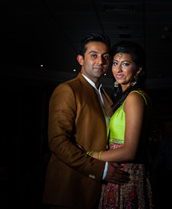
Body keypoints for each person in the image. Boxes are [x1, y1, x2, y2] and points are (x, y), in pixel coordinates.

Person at [42, 33, 129, 209]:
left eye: (105, 57)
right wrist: (101, 170)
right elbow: (57, 142)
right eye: (94, 55)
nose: (101, 61)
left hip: (97, 191)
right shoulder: (67, 90)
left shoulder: (107, 97)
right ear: (81, 59)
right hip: (69, 190)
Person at [85, 41, 153, 208]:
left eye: (126, 64)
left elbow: (130, 152)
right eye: (115, 63)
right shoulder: (125, 97)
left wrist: (89, 155)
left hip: (126, 175)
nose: (118, 69)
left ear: (138, 69)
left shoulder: (135, 97)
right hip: (118, 172)